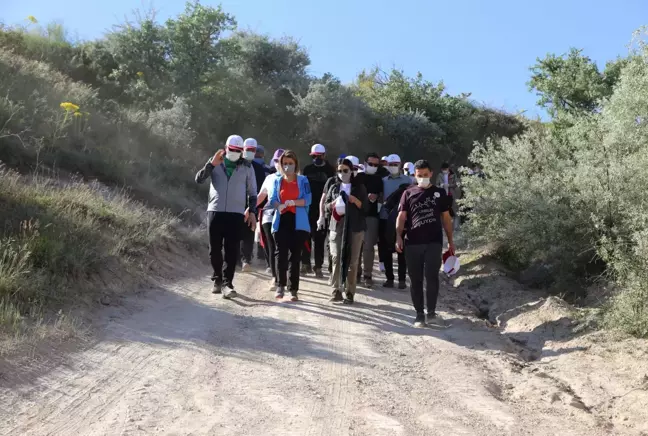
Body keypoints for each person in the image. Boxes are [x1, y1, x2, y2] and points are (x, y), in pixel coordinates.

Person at [195, 135, 257, 298]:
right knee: (214, 249)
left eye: (238, 151)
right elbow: (199, 180)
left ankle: (227, 284)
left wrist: (252, 212)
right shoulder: (215, 161)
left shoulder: (247, 166)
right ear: (226, 147)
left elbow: (252, 193)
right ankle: (217, 279)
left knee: (231, 250)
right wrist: (211, 165)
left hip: (236, 214)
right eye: (232, 150)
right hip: (215, 211)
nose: (235, 153)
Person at [396, 159, 455, 327]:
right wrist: (398, 236)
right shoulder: (408, 193)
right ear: (415, 175)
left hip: (434, 241)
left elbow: (446, 219)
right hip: (413, 241)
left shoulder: (439, 193)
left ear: (431, 173)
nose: (422, 178)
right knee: (415, 279)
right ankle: (419, 315)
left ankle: (431, 313)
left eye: (425, 175)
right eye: (419, 175)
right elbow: (402, 217)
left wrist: (451, 241)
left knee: (432, 277)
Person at [323, 158, 367, 303]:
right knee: (336, 257)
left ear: (351, 171)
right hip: (337, 226)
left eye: (345, 170)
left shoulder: (359, 187)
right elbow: (326, 206)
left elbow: (365, 208)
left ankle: (349, 293)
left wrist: (354, 200)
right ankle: (336, 290)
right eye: (340, 171)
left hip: (355, 228)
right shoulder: (334, 187)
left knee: (352, 262)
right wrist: (333, 204)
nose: (342, 173)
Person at [270, 150, 312, 301]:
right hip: (282, 220)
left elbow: (308, 199)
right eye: (285, 163)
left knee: (295, 256)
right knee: (280, 254)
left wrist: (294, 202)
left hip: (298, 221)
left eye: (290, 163)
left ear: (296, 164)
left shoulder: (303, 180)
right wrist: (278, 205)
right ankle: (280, 286)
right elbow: (272, 198)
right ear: (281, 165)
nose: (287, 166)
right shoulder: (277, 180)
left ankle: (293, 289)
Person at [301, 144, 335, 277]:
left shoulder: (330, 170)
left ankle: (318, 266)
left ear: (324, 156)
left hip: (323, 210)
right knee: (305, 237)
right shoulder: (307, 169)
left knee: (319, 239)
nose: (317, 158)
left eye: (319, 156)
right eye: (314, 156)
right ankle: (305, 264)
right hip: (308, 208)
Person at [379, 154, 411, 289]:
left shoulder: (407, 180)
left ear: (400, 164)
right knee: (386, 250)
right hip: (385, 219)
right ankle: (389, 278)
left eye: (395, 164)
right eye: (390, 164)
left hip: (402, 219)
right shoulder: (383, 180)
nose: (393, 167)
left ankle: (402, 279)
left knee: (401, 249)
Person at [240, 138, 269, 271]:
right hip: (236, 203)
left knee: (249, 231)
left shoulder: (258, 168)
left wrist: (256, 206)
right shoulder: (236, 165)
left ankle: (246, 259)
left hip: (252, 204)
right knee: (235, 232)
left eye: (253, 150)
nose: (251, 152)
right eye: (248, 150)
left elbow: (262, 189)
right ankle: (236, 259)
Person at [257, 149, 284, 287]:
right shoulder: (269, 178)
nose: (278, 163)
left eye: (281, 160)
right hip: (268, 216)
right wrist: (250, 208)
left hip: (286, 216)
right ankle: (275, 277)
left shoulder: (295, 178)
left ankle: (283, 276)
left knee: (283, 247)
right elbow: (261, 196)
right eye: (276, 161)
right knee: (271, 247)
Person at [360, 152, 383, 288]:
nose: (373, 166)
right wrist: (365, 197)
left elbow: (382, 197)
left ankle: (367, 275)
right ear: (365, 163)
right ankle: (355, 273)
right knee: (356, 245)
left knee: (368, 247)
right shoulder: (358, 177)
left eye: (376, 164)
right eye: (371, 164)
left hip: (372, 216)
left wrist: (377, 197)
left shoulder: (379, 179)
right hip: (358, 215)